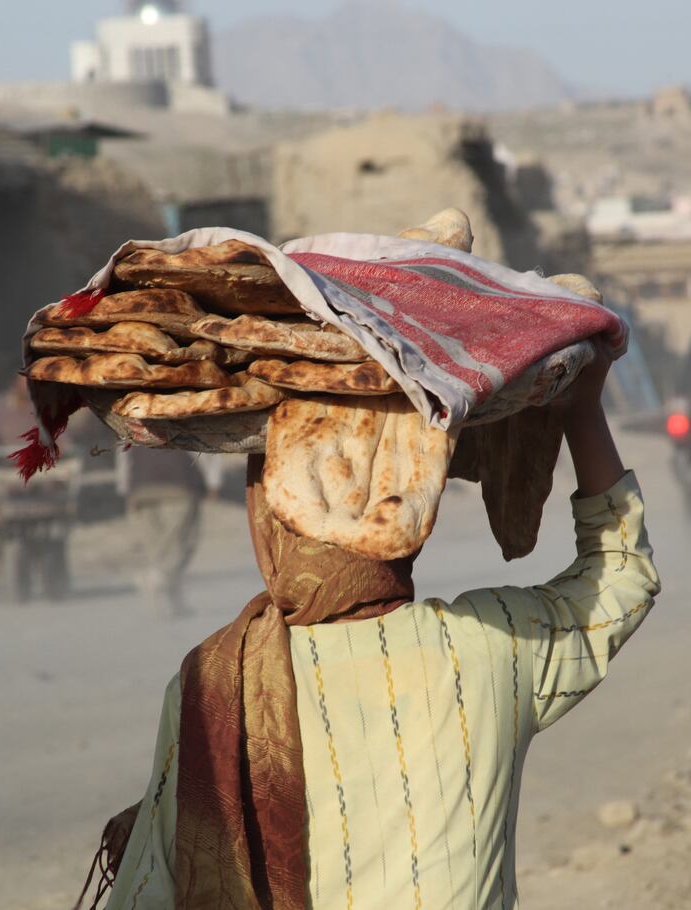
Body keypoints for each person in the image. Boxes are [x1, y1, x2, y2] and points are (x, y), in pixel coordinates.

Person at [82, 338, 659, 910]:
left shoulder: (214, 682)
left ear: (268, 513)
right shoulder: (491, 643)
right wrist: (583, 410)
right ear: (406, 505)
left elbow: (150, 887)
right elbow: (622, 575)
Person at [123, 446, 205, 617]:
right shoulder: (177, 433)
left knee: (156, 549)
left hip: (141, 494)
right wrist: (201, 487)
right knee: (178, 545)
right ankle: (157, 580)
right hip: (177, 491)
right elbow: (191, 464)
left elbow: (127, 468)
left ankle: (169, 605)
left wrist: (130, 496)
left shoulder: (135, 437)